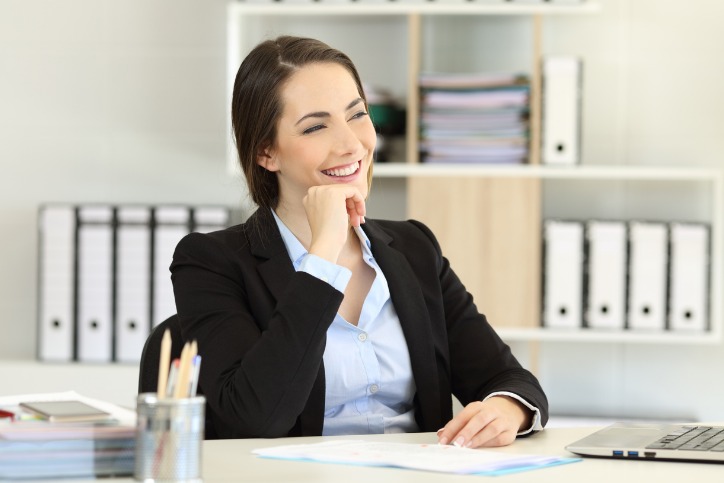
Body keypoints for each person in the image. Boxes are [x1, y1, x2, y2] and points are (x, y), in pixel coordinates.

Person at [170, 35, 548, 447]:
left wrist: (506, 408)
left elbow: (508, 378)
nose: (351, 144)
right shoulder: (209, 262)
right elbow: (255, 419)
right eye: (315, 126)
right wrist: (324, 254)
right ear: (266, 152)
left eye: (357, 115)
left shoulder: (413, 247)